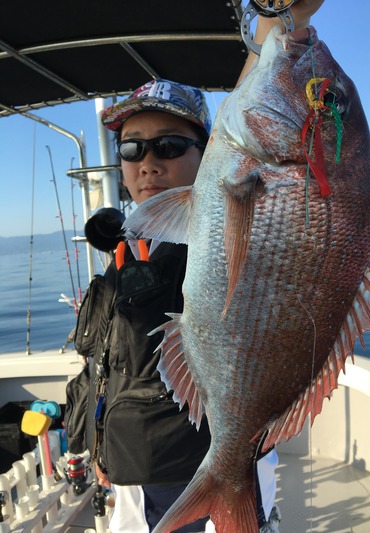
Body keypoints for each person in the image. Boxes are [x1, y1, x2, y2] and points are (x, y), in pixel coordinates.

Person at [89, 2, 324, 531]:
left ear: (208, 151)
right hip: (132, 471)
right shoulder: (127, 250)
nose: (147, 161)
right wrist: (98, 438)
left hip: (209, 461)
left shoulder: (212, 221)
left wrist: (279, 22)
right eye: (131, 147)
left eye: (170, 145)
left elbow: (253, 102)